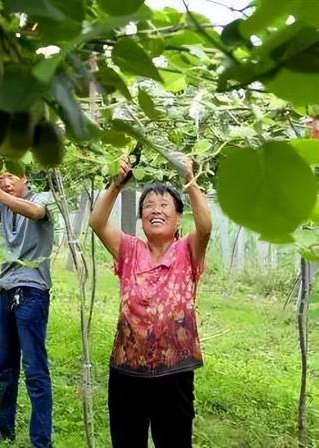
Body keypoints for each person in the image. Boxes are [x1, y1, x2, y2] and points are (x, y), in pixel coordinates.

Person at [89, 155, 212, 448]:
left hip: (175, 372)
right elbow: (97, 222)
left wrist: (189, 180)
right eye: (148, 207)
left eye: (164, 205)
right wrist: (116, 185)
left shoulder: (187, 250)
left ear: (178, 217)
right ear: (141, 219)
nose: (156, 210)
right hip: (126, 371)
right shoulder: (129, 249)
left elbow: (206, 226)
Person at [0, 169, 54, 448]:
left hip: (32, 293)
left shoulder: (43, 197)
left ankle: (41, 442)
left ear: (26, 177)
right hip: (6, 292)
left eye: (12, 176)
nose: (6, 182)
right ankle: (3, 429)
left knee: (34, 370)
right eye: (1, 176)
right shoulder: (2, 203)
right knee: (5, 367)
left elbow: (35, 212)